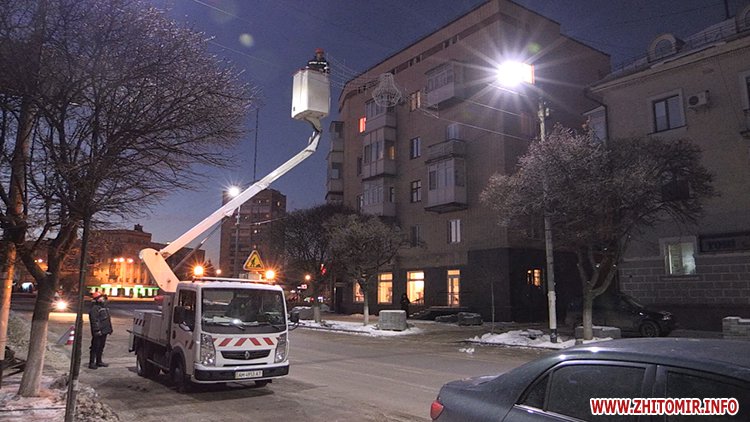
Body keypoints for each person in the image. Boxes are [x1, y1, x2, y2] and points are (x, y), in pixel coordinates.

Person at [88, 292, 113, 369]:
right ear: (97, 299)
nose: (103, 299)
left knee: (101, 347)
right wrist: (97, 330)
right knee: (95, 347)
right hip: (98, 332)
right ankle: (92, 363)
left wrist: (109, 329)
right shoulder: (95, 308)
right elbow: (94, 321)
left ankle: (99, 361)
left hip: (104, 331)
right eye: (101, 297)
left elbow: (107, 320)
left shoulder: (103, 307)